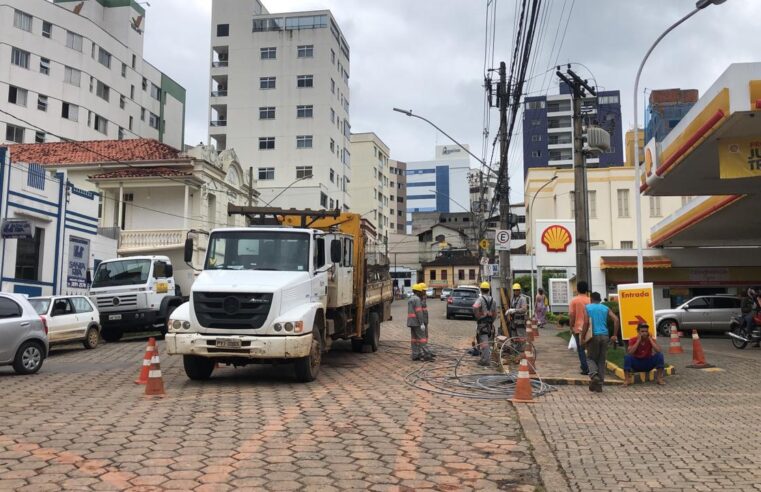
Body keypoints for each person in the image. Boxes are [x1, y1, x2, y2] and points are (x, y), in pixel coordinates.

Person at [580, 292, 619, 393]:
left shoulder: (587, 308)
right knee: (601, 360)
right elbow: (616, 320)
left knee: (590, 358)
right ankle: (599, 385)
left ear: (591, 299)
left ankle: (594, 375)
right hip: (605, 336)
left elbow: (586, 323)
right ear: (600, 299)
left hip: (593, 337)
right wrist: (614, 335)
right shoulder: (605, 308)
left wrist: (582, 337)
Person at [568, 281, 591, 375]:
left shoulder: (574, 301)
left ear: (577, 289)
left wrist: (571, 327)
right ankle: (592, 367)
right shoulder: (590, 300)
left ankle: (585, 368)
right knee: (590, 349)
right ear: (587, 290)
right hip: (589, 328)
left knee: (581, 349)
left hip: (578, 328)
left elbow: (572, 315)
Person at [407, 283, 434, 361]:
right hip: (417, 322)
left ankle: (415, 354)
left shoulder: (411, 299)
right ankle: (427, 355)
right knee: (422, 338)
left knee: (414, 338)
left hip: (411, 322)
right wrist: (421, 323)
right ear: (418, 291)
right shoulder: (417, 299)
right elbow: (419, 312)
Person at [472, 281, 497, 367]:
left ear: (481, 290)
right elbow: (495, 314)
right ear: (488, 290)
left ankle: (485, 360)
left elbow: (475, 307)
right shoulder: (493, 300)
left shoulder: (480, 299)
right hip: (489, 325)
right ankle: (484, 358)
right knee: (487, 342)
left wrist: (478, 316)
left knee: (484, 342)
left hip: (482, 324)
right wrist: (491, 321)